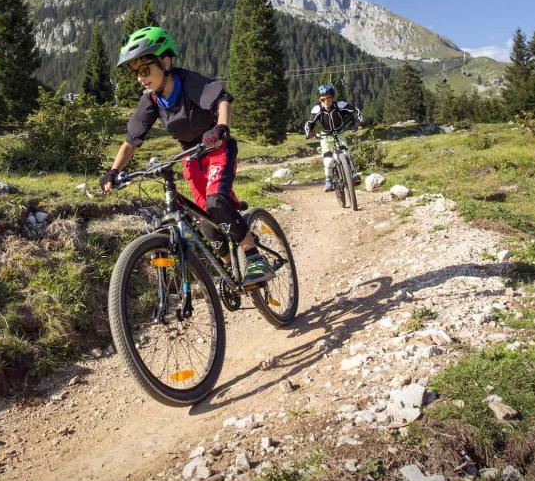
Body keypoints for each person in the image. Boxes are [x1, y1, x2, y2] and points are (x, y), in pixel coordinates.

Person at [99, 26, 274, 286]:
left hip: (218, 148)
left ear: (166, 61)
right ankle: (229, 271)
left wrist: (221, 128)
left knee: (216, 202)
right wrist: (113, 171)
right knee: (204, 219)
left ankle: (253, 255)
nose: (140, 78)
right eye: (135, 73)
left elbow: (222, 100)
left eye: (145, 70)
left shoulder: (187, 81)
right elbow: (131, 142)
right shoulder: (151, 100)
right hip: (191, 156)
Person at [304, 84, 363, 192]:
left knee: (345, 154)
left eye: (329, 97)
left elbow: (355, 111)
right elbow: (308, 124)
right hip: (325, 136)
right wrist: (310, 133)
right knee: (328, 161)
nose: (326, 101)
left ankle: (354, 175)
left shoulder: (340, 105)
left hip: (339, 133)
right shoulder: (317, 109)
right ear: (319, 99)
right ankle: (329, 180)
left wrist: (357, 122)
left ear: (333, 97)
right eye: (323, 99)